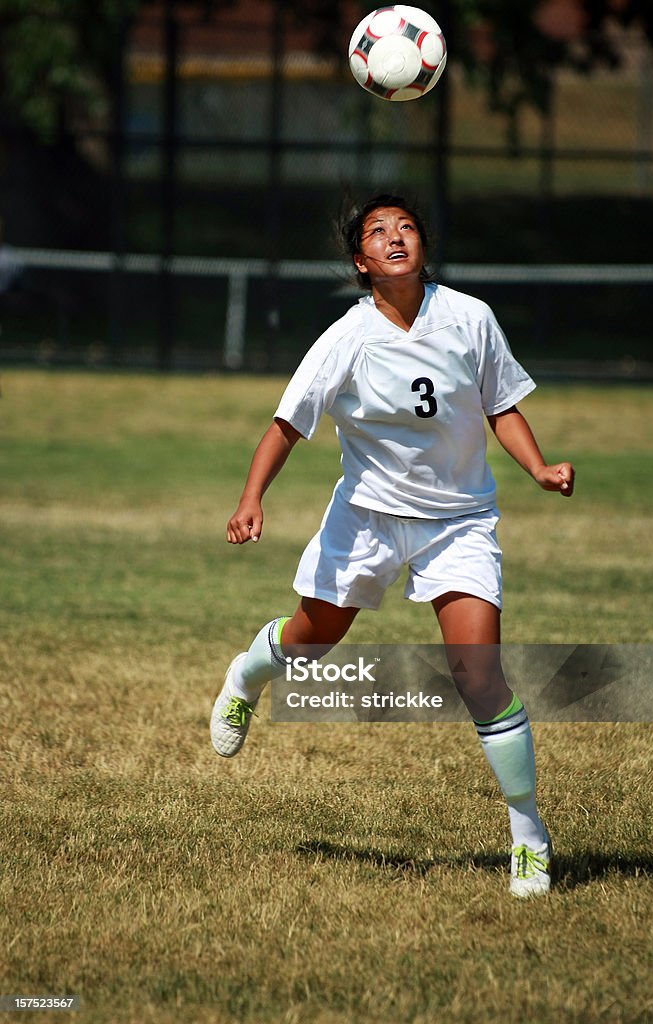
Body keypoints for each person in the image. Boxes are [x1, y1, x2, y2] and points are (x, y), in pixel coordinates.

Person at [211, 193, 574, 898]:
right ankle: (247, 676)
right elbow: (285, 425)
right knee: (310, 643)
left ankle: (528, 836)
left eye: (406, 227)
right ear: (361, 263)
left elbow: (502, 405)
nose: (395, 236)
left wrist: (536, 467)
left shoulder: (470, 318)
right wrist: (250, 499)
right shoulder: (345, 338)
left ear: (422, 247)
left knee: (477, 675)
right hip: (368, 519)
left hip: (458, 520)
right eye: (378, 232)